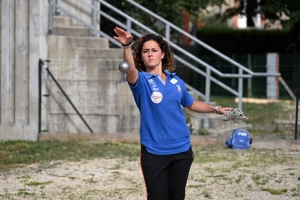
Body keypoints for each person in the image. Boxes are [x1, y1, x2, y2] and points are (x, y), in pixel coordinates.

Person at [113, 27, 231, 200]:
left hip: (182, 149)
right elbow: (130, 69)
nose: (150, 54)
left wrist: (216, 109)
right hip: (154, 151)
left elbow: (191, 104)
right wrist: (127, 46)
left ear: (162, 54)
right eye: (145, 51)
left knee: (177, 196)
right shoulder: (141, 81)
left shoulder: (176, 81)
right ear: (141, 56)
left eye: (154, 50)